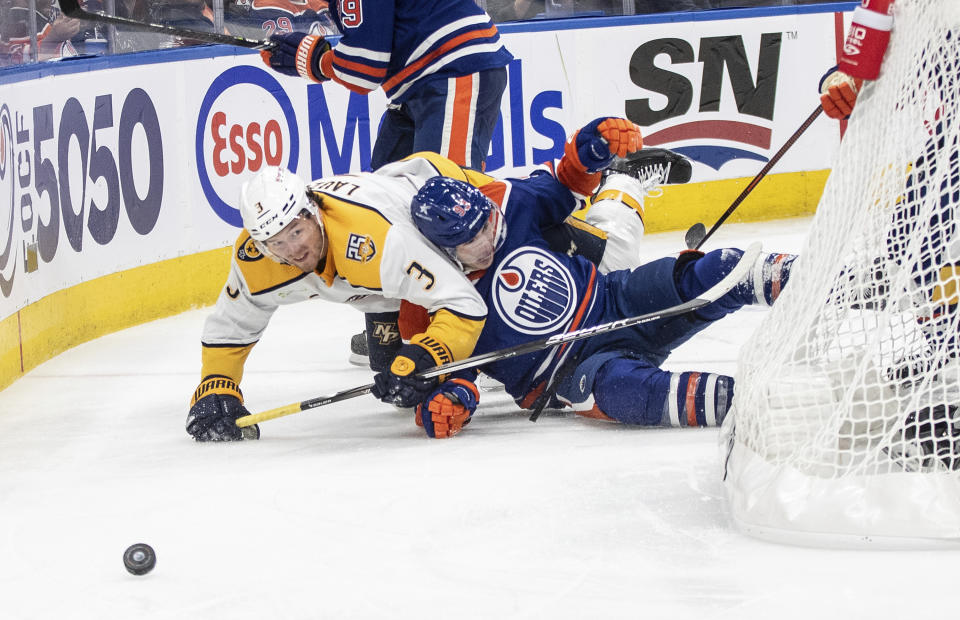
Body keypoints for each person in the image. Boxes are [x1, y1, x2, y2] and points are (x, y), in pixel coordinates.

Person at [187, 117, 651, 441]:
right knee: (402, 383)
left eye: (297, 232)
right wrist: (217, 387)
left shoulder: (374, 240)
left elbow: (464, 303)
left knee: (614, 258)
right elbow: (232, 327)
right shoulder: (258, 259)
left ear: (313, 211)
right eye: (277, 245)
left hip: (456, 223)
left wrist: (429, 353)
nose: (293, 252)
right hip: (390, 279)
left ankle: (624, 184)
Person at [404, 127, 798, 439]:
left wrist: (588, 151)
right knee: (627, 392)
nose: (489, 240)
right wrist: (452, 398)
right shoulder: (427, 296)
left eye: (488, 224)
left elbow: (567, 183)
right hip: (571, 370)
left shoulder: (510, 203)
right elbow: (449, 374)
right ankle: (767, 404)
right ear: (443, 251)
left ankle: (829, 280)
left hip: (615, 298)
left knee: (717, 269)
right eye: (472, 244)